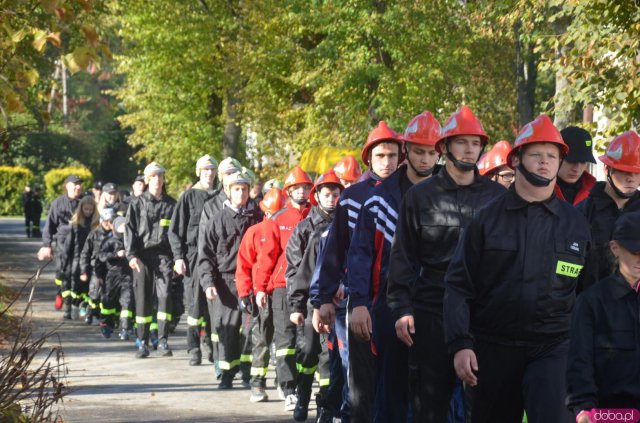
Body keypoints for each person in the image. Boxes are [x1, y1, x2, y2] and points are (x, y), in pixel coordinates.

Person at [443, 114, 592, 423]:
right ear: (517, 160)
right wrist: (460, 344)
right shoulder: (486, 219)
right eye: (536, 154)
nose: (545, 163)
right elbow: (458, 286)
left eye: (552, 156)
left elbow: (590, 292)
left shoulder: (576, 222)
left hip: (554, 347)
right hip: (493, 347)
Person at [387, 105, 505, 423]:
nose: (470, 149)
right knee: (430, 405)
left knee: (484, 405)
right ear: (445, 148)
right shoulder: (420, 196)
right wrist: (401, 308)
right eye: (462, 142)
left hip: (482, 315)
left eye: (475, 143)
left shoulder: (497, 197)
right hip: (431, 310)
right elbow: (403, 258)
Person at [348, 111, 441, 422]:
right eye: (419, 152)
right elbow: (360, 255)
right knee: (392, 390)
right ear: (407, 151)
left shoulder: (450, 193)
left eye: (432, 152)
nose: (426, 159)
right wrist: (359, 303)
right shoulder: (379, 200)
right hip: (388, 306)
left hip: (439, 306)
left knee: (437, 395)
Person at [315, 121, 404, 423]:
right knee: (360, 381)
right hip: (359, 299)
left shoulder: (412, 192)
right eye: (380, 156)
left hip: (401, 302)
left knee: (398, 383)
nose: (387, 162)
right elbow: (335, 251)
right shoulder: (352, 198)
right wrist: (324, 298)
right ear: (369, 158)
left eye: (393, 155)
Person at [566, 211, 640, 421]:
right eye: (635, 251)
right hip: (611, 413)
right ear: (615, 248)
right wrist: (584, 409)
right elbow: (580, 361)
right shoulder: (592, 301)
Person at [254, 165, 313, 410]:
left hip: (310, 287)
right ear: (288, 191)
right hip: (281, 287)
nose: (301, 192)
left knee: (308, 342)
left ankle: (302, 386)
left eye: (305, 188)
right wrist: (260, 287)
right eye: (297, 188)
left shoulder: (316, 215)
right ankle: (288, 389)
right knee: (285, 341)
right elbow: (266, 257)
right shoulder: (278, 220)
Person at [286, 170, 344, 421]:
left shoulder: (347, 224)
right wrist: (297, 306)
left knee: (328, 358)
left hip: (340, 304)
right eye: (327, 194)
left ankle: (325, 406)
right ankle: (303, 396)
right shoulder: (305, 229)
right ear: (317, 196)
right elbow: (298, 270)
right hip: (312, 302)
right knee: (308, 352)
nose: (332, 199)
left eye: (336, 194)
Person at [198, 171, 261, 389]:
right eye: (236, 189)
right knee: (227, 328)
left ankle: (246, 372)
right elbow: (205, 255)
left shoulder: (257, 217)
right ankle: (226, 373)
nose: (241, 193)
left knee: (250, 328)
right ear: (227, 190)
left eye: (244, 189)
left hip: (250, 282)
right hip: (224, 283)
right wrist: (208, 283)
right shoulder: (217, 220)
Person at [235, 187, 286, 402]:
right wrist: (245, 292)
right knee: (262, 339)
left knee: (283, 341)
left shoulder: (289, 229)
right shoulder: (255, 232)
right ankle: (258, 383)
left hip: (282, 292)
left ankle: (283, 383)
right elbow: (244, 264)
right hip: (262, 294)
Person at [169, 154, 219, 366]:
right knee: (195, 306)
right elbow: (175, 231)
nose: (209, 173)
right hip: (193, 258)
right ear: (199, 172)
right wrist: (179, 257)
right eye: (205, 169)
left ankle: (212, 347)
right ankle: (193, 349)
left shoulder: (220, 196)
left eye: (212, 169)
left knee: (213, 306)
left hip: (217, 259)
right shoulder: (189, 196)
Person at [124, 162, 177, 359]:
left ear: (163, 180)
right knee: (143, 300)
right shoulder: (137, 204)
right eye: (153, 176)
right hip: (141, 257)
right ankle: (143, 343)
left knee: (164, 297)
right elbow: (129, 229)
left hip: (164, 257)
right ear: (147, 180)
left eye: (160, 176)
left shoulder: (172, 205)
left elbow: (176, 234)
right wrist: (131, 255)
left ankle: (163, 341)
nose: (157, 180)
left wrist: (177, 258)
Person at [577, 131, 640, 289]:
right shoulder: (583, 211)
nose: (631, 178)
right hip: (590, 304)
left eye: (637, 173)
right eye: (624, 171)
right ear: (607, 169)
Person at [38, 174, 83, 310]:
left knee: (76, 271)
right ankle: (60, 293)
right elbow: (49, 226)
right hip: (63, 242)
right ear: (67, 186)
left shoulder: (86, 201)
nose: (78, 186)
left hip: (80, 242)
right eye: (75, 184)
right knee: (61, 271)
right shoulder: (57, 203)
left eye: (80, 184)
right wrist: (47, 245)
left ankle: (75, 302)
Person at [61, 195, 99, 320]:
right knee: (76, 286)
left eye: (90, 210)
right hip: (76, 260)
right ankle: (73, 306)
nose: (88, 212)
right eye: (85, 209)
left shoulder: (96, 226)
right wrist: (65, 263)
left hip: (91, 260)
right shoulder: (76, 225)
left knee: (90, 287)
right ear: (81, 209)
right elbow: (68, 246)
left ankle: (86, 309)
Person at [97, 216, 134, 340]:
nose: (123, 230)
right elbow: (101, 257)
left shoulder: (131, 241)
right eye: (121, 227)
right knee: (108, 301)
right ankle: (106, 324)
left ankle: (125, 328)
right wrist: (115, 255)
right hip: (111, 276)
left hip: (128, 276)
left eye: (125, 227)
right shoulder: (109, 241)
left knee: (127, 301)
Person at [80, 208, 117, 325]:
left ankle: (109, 318)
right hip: (95, 268)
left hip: (111, 269)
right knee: (94, 293)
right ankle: (90, 312)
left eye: (111, 221)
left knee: (109, 295)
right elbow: (85, 253)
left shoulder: (117, 235)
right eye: (106, 221)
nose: (108, 224)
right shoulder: (94, 234)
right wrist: (84, 270)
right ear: (101, 221)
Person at [554, 126, 597, 205]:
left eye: (583, 162)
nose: (577, 169)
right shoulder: (536, 189)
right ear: (557, 157)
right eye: (571, 161)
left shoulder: (596, 193)